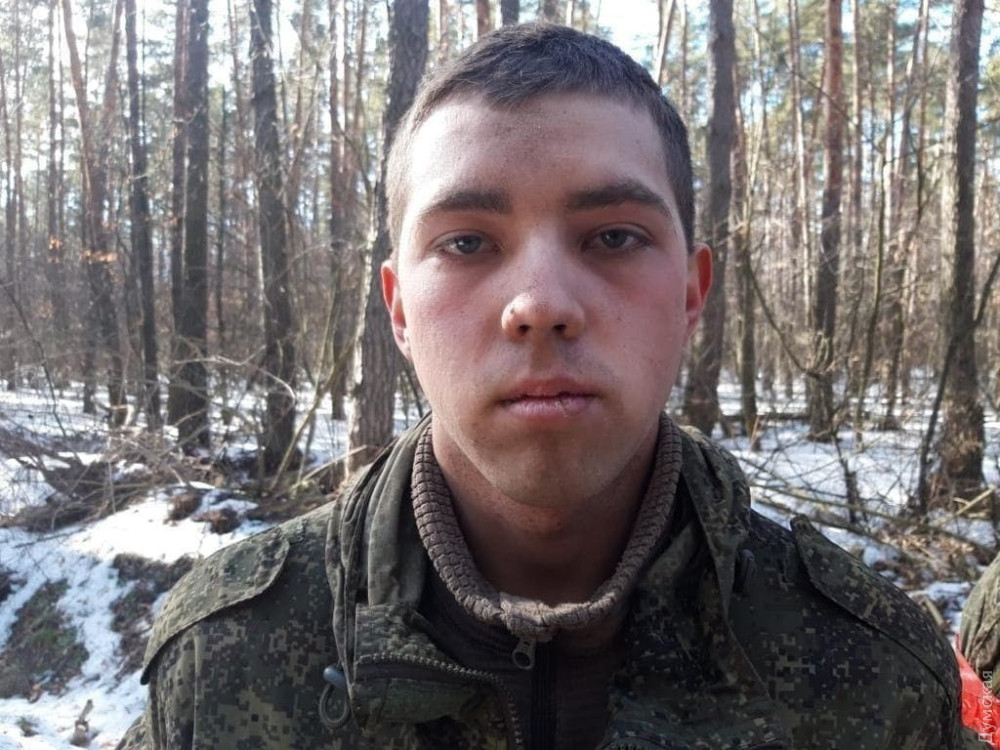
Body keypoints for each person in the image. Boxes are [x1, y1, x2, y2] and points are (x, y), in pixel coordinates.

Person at [121, 22, 976, 750]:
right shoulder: (222, 658)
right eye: (466, 243)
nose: (540, 305)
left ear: (691, 295)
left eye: (613, 237)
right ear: (400, 309)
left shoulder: (876, 676)